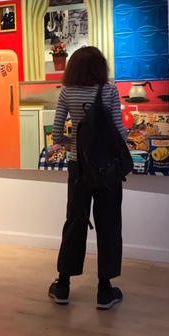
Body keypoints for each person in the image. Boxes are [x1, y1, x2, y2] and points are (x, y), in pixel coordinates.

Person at [48, 46, 127, 310]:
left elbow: (56, 135)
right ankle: (105, 290)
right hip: (107, 170)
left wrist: (76, 144)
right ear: (100, 67)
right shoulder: (110, 91)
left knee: (75, 222)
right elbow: (120, 133)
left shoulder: (67, 92)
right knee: (109, 225)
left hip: (79, 168)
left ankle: (63, 286)